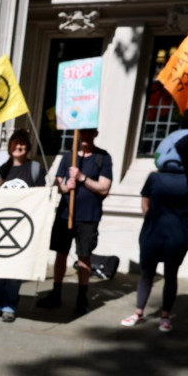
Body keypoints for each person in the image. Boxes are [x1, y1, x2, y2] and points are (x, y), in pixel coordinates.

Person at [120, 130, 188, 333]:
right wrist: (154, 219)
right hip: (153, 232)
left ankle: (165, 316)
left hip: (178, 234)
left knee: (171, 273)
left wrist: (180, 221)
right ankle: (139, 312)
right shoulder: (154, 177)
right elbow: (145, 202)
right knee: (147, 272)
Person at [36, 127, 113, 316]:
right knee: (61, 254)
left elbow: (104, 188)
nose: (85, 136)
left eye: (89, 132)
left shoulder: (103, 157)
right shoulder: (67, 157)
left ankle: (81, 298)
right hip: (64, 215)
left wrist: (82, 178)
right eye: (82, 132)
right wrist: (65, 186)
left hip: (88, 216)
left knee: (84, 256)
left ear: (95, 134)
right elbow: (57, 184)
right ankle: (56, 293)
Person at [0, 129, 45, 323]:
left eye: (23, 143)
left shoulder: (34, 168)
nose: (19, 147)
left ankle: (10, 305)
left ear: (27, 147)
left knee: (15, 269)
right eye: (15, 143)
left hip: (22, 227)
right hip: (1, 224)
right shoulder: (2, 169)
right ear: (10, 146)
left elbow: (41, 196)